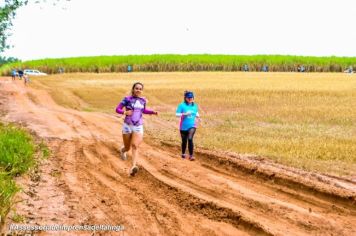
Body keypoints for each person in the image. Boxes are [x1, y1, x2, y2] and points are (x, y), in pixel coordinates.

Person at [115, 82, 158, 176]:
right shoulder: (126, 99)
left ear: (142, 90)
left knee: (135, 146)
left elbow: (144, 110)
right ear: (133, 89)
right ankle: (123, 150)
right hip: (127, 125)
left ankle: (133, 167)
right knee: (128, 147)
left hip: (138, 125)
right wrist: (125, 112)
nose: (138, 90)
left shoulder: (143, 100)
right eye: (136, 88)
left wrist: (152, 112)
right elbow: (117, 109)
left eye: (140, 89)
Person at [176, 91, 201, 161]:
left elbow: (196, 112)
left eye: (191, 97)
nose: (190, 99)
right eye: (188, 98)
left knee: (190, 138)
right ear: (185, 98)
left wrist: (198, 117)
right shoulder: (181, 105)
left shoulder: (195, 105)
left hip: (192, 125)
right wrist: (184, 114)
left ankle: (191, 155)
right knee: (184, 141)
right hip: (183, 126)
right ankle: (183, 153)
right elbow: (177, 114)